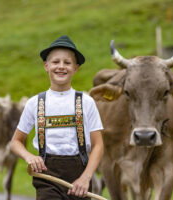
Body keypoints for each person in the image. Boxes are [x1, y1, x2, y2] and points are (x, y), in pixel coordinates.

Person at [10, 35, 104, 200]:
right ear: (46, 66)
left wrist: (86, 178)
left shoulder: (86, 102)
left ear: (76, 68)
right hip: (47, 178)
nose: (61, 67)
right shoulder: (35, 103)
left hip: (79, 179)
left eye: (67, 63)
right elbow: (16, 142)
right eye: (55, 62)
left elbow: (98, 145)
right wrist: (29, 157)